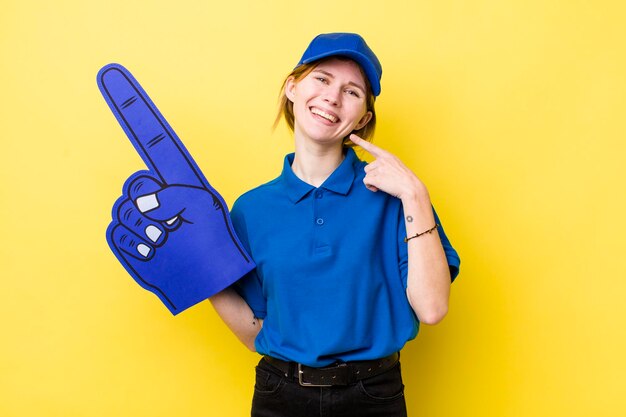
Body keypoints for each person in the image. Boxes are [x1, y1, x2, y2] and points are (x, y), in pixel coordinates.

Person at [210, 33, 460, 417]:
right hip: (280, 396)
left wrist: (414, 194)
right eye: (322, 79)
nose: (332, 97)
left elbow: (431, 308)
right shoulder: (251, 210)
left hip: (374, 396)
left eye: (352, 92)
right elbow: (258, 331)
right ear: (293, 87)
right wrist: (202, 274)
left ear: (363, 118)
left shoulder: (396, 197)